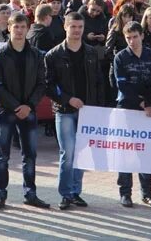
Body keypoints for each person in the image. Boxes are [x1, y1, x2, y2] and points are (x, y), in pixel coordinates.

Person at [44, 12, 104, 210]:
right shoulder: (53, 55)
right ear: (65, 27)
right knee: (68, 152)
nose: (77, 30)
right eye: (73, 27)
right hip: (64, 110)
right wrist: (68, 99)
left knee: (82, 153)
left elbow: (98, 82)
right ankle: (65, 193)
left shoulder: (91, 53)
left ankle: (76, 192)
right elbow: (49, 86)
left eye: (80, 27)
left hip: (88, 110)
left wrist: (97, 108)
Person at [0, 12, 50, 210]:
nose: (19, 30)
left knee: (30, 154)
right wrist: (16, 106)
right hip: (6, 110)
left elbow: (42, 84)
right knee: (2, 155)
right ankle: (0, 194)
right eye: (15, 27)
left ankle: (30, 193)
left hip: (29, 109)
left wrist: (29, 105)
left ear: (27, 29)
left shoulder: (36, 54)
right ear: (9, 28)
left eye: (23, 27)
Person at [113, 21, 151, 208]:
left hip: (149, 110)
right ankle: (125, 193)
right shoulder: (120, 57)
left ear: (142, 36)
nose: (132, 41)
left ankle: (147, 193)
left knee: (145, 152)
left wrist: (150, 102)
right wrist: (141, 102)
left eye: (135, 36)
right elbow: (122, 85)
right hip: (128, 108)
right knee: (125, 152)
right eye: (128, 37)